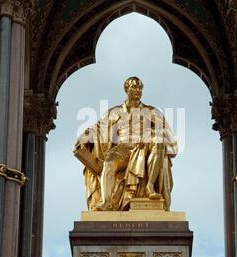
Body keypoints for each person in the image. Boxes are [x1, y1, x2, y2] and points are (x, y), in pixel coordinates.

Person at [74, 77, 178, 211]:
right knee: (109, 163)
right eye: (134, 87)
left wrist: (151, 133)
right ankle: (106, 202)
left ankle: (149, 186)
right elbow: (97, 129)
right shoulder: (114, 112)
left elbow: (171, 143)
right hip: (122, 148)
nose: (138, 90)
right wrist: (83, 138)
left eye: (140, 87)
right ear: (126, 89)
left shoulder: (153, 112)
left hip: (145, 147)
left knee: (158, 140)